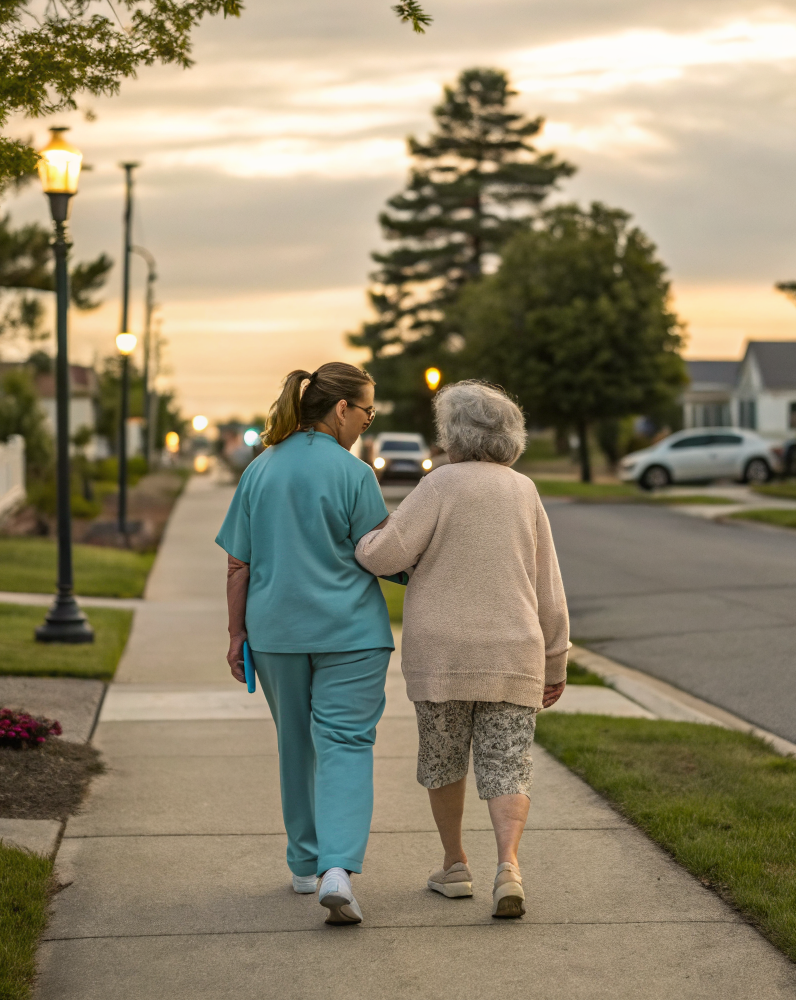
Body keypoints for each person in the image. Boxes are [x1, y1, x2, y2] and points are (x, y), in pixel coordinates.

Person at [354, 380, 569, 919]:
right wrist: (556, 660)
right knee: (509, 765)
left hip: (442, 655)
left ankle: (454, 865)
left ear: (453, 434)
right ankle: (508, 868)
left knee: (444, 758)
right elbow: (549, 586)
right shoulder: (525, 491)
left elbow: (385, 555)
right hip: (515, 650)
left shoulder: (440, 486)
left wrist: (362, 542)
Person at [215, 362, 390, 926]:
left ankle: (303, 861)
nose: (367, 421)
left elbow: (237, 564)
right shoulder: (354, 474)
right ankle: (337, 868)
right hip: (351, 634)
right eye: (366, 410)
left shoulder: (259, 471)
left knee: (296, 741)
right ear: (341, 410)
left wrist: (237, 634)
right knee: (345, 743)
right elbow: (381, 552)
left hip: (276, 634)